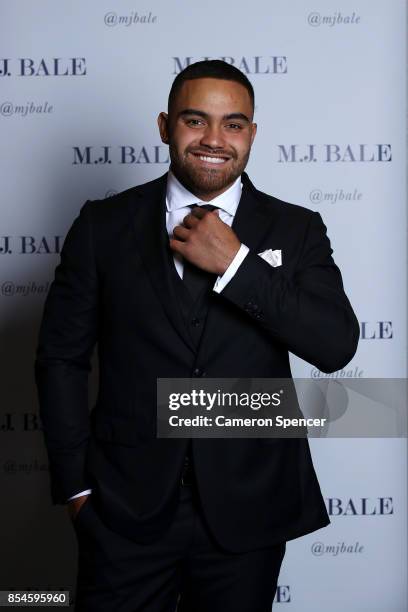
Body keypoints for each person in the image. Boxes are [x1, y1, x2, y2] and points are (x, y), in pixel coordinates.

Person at [34, 60, 359, 611]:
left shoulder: (297, 229)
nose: (214, 139)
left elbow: (335, 346)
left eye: (233, 124)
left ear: (252, 133)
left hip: (249, 509)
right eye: (195, 120)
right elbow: (61, 358)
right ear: (165, 126)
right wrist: (76, 488)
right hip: (122, 509)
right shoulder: (103, 225)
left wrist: (235, 262)